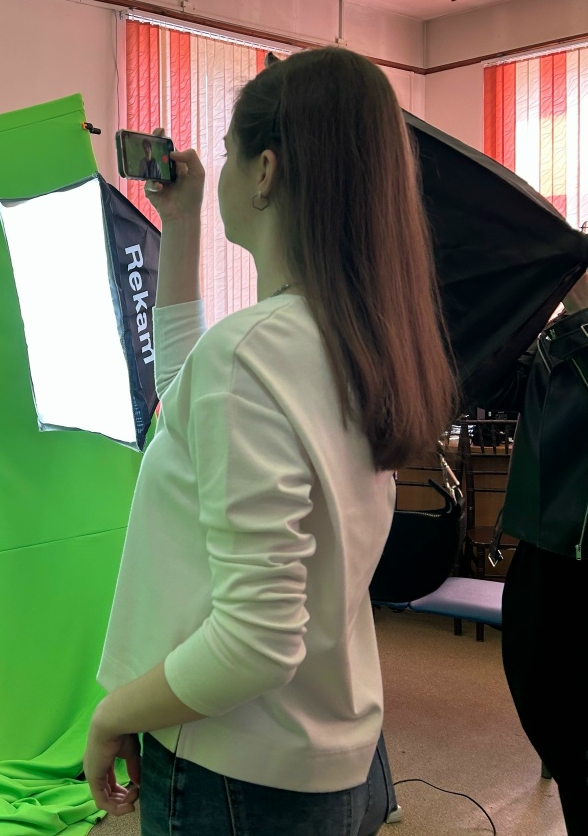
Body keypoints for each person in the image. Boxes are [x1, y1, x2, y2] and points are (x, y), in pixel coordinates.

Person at [84, 47, 457, 835]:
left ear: (264, 172)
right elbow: (184, 394)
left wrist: (116, 710)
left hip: (235, 770)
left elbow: (256, 639)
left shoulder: (252, 353)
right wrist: (181, 222)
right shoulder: (353, 338)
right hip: (330, 753)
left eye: (227, 153)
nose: (217, 170)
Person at [480, 271, 588, 834]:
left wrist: (584, 317)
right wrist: (528, 299)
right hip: (545, 555)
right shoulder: (562, 337)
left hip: (574, 562)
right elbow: (489, 381)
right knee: (552, 717)